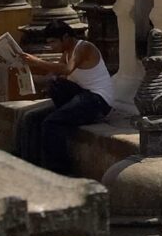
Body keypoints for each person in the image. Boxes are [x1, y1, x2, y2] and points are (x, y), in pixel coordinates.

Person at [20, 19, 116, 173]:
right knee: (31, 118)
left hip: (97, 101)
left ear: (65, 37)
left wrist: (37, 61)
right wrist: (23, 74)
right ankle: (29, 165)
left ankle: (58, 170)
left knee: (51, 123)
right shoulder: (65, 54)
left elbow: (66, 69)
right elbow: (52, 78)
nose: (51, 46)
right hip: (81, 97)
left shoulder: (83, 47)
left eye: (53, 42)